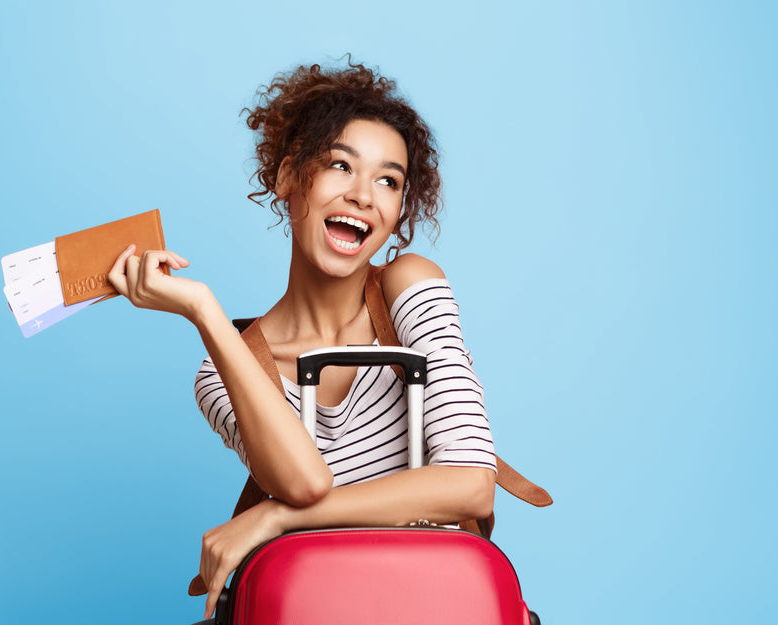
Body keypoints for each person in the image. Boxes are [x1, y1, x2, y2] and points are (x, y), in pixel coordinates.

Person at [107, 60, 496, 620]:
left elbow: (471, 485)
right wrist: (204, 312)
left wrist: (275, 518)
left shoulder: (410, 285)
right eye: (340, 166)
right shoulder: (223, 372)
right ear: (289, 177)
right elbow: (305, 482)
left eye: (388, 180)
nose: (364, 195)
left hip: (435, 603)